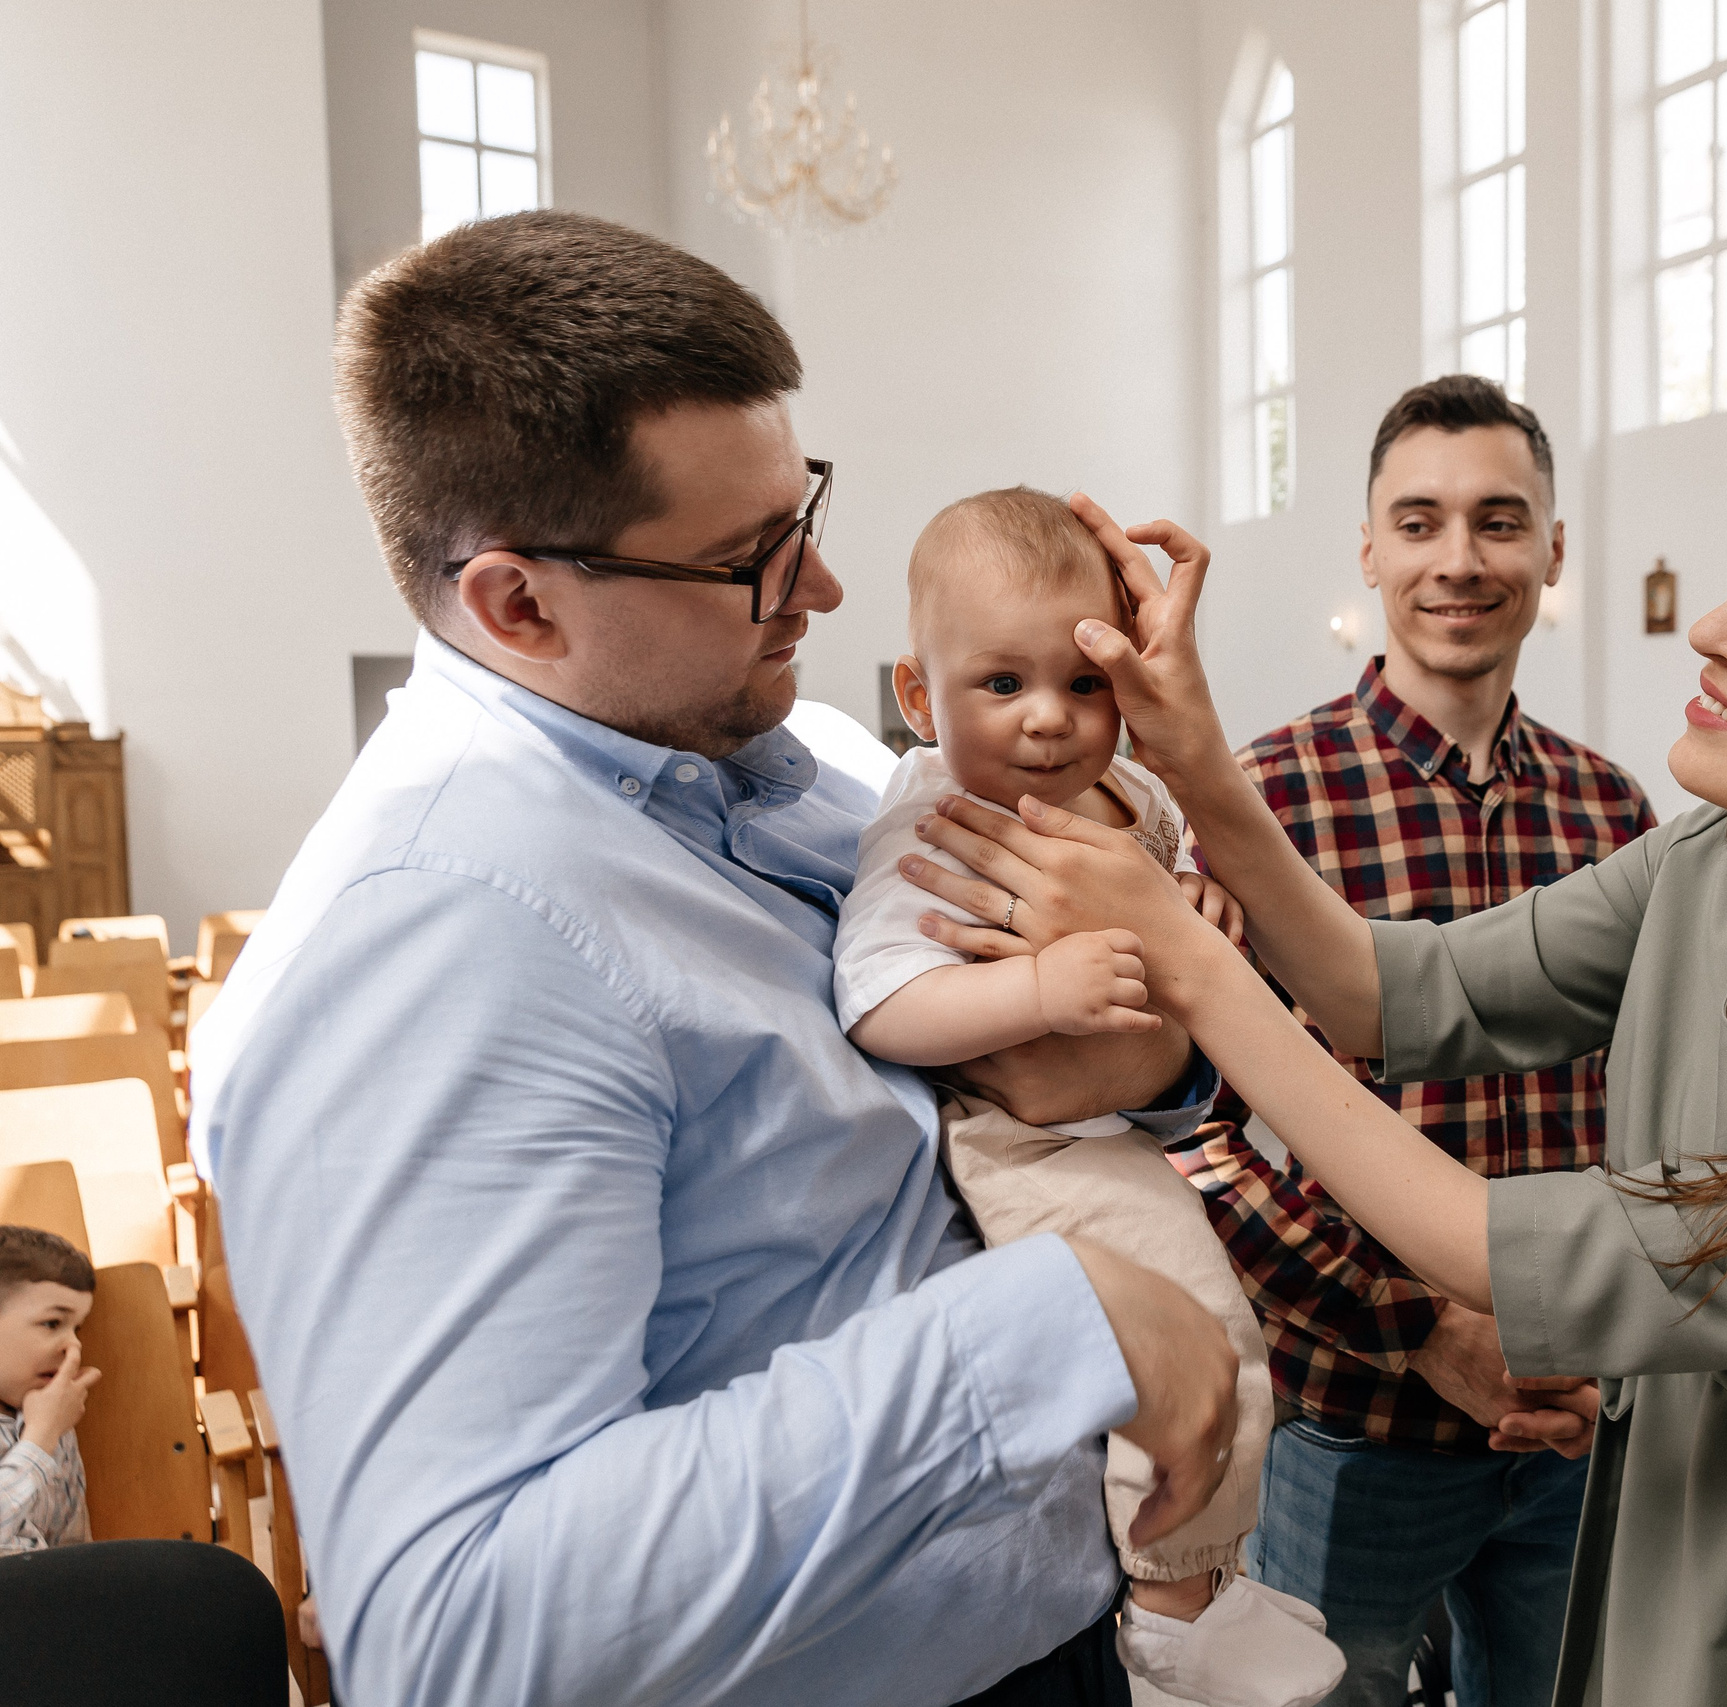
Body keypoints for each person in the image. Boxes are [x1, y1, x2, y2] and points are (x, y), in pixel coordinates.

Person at [899, 417, 1727, 1705]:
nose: (1716, 624)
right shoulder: (1716, 869)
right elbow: (1391, 991)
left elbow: (1495, 1243)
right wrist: (1187, 747)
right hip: (1638, 1527)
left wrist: (1180, 952)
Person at [188, 210, 1242, 1707]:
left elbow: (1028, 1063)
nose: (817, 589)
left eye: (801, 513)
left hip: (1048, 1635)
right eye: (751, 559)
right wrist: (1043, 1329)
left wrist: (1159, 1052)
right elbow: (463, 1633)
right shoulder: (439, 939)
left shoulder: (793, 753)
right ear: (521, 601)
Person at [1167, 376, 1652, 1707]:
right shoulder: (1263, 799)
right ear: (1369, 549)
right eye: (1420, 520)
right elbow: (1180, 1129)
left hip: (1573, 1419)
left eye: (1500, 521)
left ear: (1554, 551)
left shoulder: (1610, 805)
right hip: (1355, 1418)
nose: (1459, 558)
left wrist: (1602, 1335)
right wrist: (1416, 1318)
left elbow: (1643, 1097)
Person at [836, 486, 1342, 1707]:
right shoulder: (931, 821)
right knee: (1202, 1351)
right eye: (999, 685)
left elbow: (1178, 902)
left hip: (1126, 1132)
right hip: (1028, 1146)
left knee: (1236, 1349)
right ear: (919, 696)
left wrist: (1198, 913)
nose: (1050, 723)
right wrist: (1038, 993)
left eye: (1084, 684)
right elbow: (881, 1004)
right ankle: (1170, 1631)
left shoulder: (1133, 800)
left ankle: (1197, 1592)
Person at [0, 1226, 98, 1553]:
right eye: (53, 1323)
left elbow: (70, 1547)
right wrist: (41, 1437)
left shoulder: (52, 1412)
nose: (74, 1345)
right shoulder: (49, 1423)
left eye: (77, 1328)